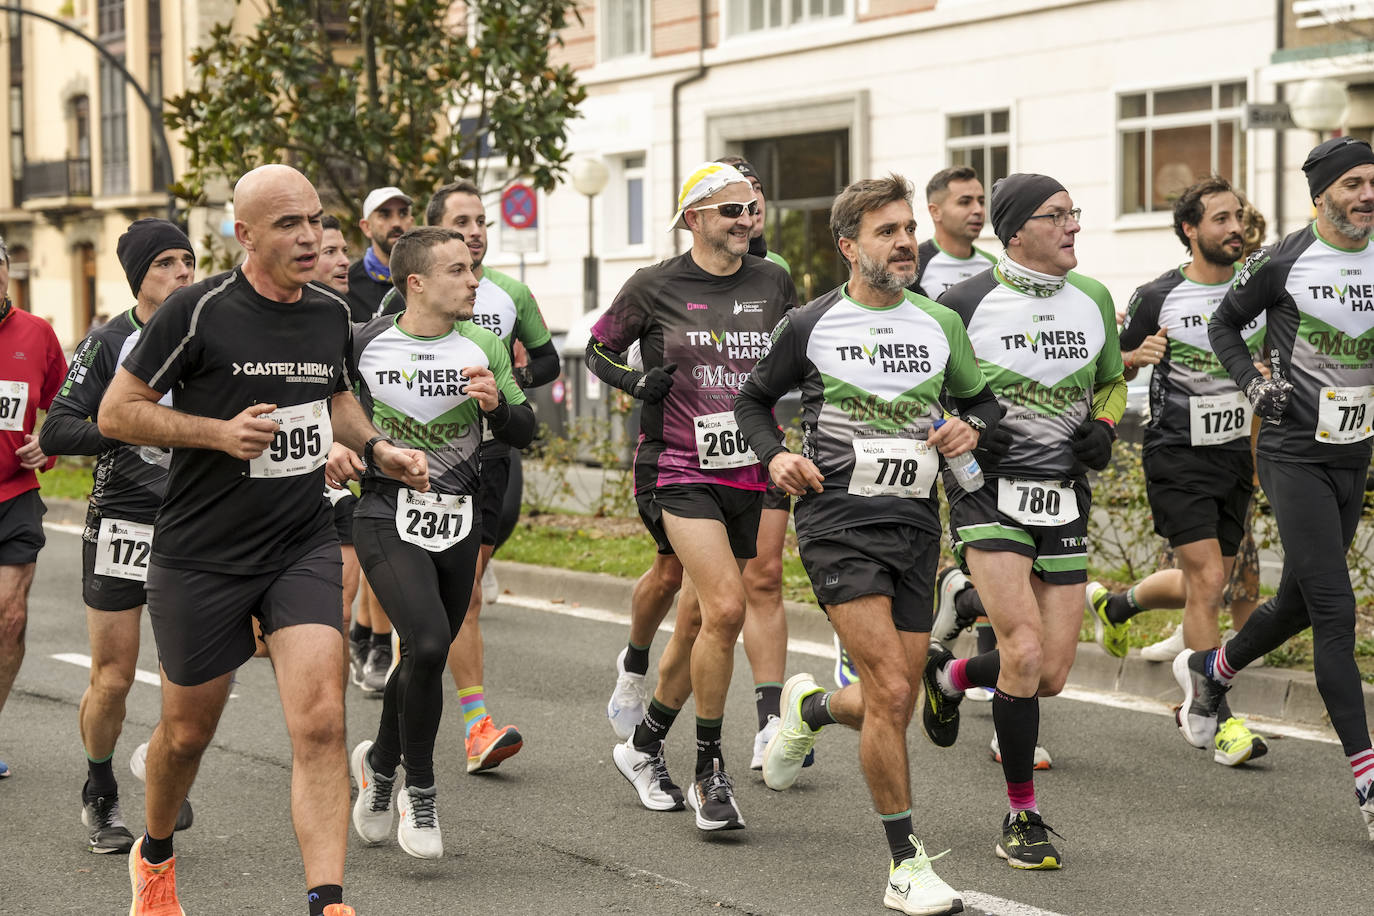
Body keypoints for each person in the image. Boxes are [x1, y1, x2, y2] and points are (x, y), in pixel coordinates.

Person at [99, 164, 428, 916]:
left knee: (320, 719)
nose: (310, 236)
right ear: (244, 234)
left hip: (300, 540)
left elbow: (336, 395)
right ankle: (154, 856)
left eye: (314, 219)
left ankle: (328, 900)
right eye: (288, 224)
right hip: (201, 553)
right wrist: (217, 433)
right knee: (186, 734)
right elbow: (120, 412)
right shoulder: (196, 310)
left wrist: (378, 451)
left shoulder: (326, 311)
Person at [738, 173, 1004, 916]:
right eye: (888, 231)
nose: (906, 242)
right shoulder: (809, 324)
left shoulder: (938, 323)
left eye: (908, 229)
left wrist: (971, 426)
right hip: (836, 520)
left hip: (918, 522)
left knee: (897, 692)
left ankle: (810, 710)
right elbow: (752, 401)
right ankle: (904, 864)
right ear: (849, 246)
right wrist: (774, 456)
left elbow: (981, 401)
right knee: (892, 689)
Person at [924, 173, 1126, 869]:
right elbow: (924, 394)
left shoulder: (1095, 298)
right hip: (988, 492)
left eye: (1075, 214)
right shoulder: (961, 303)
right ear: (1015, 232)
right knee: (1024, 648)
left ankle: (948, 679)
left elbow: (1113, 380)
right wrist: (971, 424)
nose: (1074, 226)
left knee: (1053, 672)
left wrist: (1103, 424)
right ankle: (1021, 815)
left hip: (1063, 493)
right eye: (1057, 216)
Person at [589, 161, 795, 831]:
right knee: (728, 607)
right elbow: (596, 350)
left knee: (703, 622)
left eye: (751, 208)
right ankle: (712, 770)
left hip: (748, 469)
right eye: (731, 210)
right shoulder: (654, 284)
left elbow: (798, 362)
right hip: (676, 464)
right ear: (694, 219)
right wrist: (632, 384)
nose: (745, 220)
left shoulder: (773, 282)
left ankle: (644, 746)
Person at [1194, 136, 1374, 841]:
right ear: (1322, 194)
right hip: (1294, 452)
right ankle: (1367, 783)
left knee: (1301, 602)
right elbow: (1223, 322)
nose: (1366, 194)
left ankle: (1215, 668)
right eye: (1354, 183)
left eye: (1373, 182)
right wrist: (1252, 382)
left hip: (1353, 452)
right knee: (1336, 611)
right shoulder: (1285, 260)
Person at [343, 226, 535, 858]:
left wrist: (496, 409)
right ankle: (418, 793)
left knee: (426, 655)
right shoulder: (364, 342)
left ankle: (378, 765)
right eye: (457, 270)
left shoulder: (482, 341)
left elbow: (525, 425)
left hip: (458, 515)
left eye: (472, 269)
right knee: (425, 643)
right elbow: (326, 413)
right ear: (416, 282)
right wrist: (348, 452)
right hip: (383, 511)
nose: (474, 278)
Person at [380, 179, 559, 773]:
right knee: (433, 616)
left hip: (483, 463)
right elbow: (353, 395)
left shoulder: (505, 297)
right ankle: (468, 725)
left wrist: (500, 395)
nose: (476, 233)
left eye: (481, 221)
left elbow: (543, 371)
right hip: (400, 484)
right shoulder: (383, 326)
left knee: (457, 603)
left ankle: (402, 734)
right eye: (461, 224)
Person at [38, 219, 198, 853]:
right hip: (122, 521)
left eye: (187, 260)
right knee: (114, 675)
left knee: (192, 673)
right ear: (139, 277)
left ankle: (163, 769)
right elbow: (57, 432)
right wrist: (137, 423)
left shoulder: (205, 332)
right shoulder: (108, 343)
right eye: (165, 263)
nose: (182, 273)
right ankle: (100, 792)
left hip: (191, 522)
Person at [0, 235, 68, 781]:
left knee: (10, 618)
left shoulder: (36, 333)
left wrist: (51, 442)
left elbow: (67, 407)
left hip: (15, 495)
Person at [311, 215, 364, 665]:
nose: (343, 261)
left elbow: (343, 399)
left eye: (344, 251)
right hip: (260, 494)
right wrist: (322, 443)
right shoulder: (252, 325)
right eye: (331, 252)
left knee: (336, 615)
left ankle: (327, 733)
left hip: (335, 491)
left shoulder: (342, 319)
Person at [911, 166, 996, 299]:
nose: (978, 210)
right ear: (935, 212)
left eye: (981, 201)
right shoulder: (913, 263)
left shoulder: (992, 264)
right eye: (965, 202)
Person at [345, 186, 414, 322]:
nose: (396, 223)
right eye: (385, 215)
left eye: (403, 213)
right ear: (366, 227)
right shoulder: (348, 286)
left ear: (411, 222)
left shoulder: (428, 277)